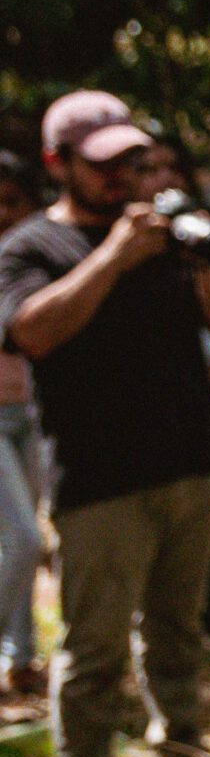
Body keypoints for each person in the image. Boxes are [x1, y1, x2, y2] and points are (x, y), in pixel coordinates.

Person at [0, 92, 210, 757]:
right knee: (95, 646)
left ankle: (184, 756)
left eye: (131, 161)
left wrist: (199, 254)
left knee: (178, 630)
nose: (120, 176)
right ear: (58, 163)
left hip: (189, 464)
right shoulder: (31, 247)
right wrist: (113, 256)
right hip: (100, 480)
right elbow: (32, 332)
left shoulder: (165, 235)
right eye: (102, 164)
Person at [132, 141, 210, 648]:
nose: (164, 178)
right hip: (153, 400)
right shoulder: (120, 246)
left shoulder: (200, 235)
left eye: (172, 167)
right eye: (148, 169)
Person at [0, 152, 47, 693]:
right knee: (24, 539)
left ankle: (22, 656)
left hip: (33, 413)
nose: (4, 214)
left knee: (19, 538)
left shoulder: (37, 261)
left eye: (13, 202)